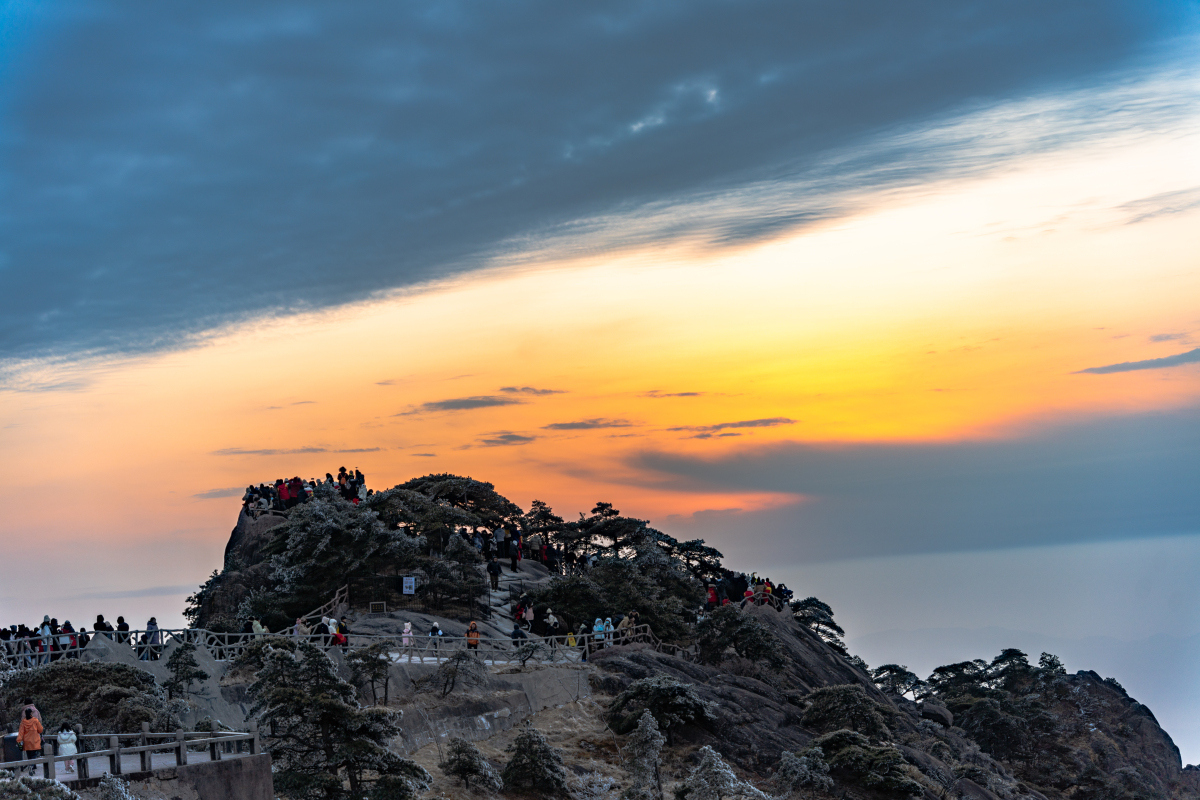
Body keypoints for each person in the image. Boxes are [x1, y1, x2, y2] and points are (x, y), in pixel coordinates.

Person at [17, 708, 43, 775]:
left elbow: (21, 732)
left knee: (29, 755)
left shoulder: (23, 722)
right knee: (34, 755)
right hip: (35, 740)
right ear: (31, 713)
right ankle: (32, 766)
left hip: (27, 741)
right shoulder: (35, 720)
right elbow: (40, 730)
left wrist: (19, 740)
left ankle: (31, 767)